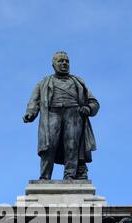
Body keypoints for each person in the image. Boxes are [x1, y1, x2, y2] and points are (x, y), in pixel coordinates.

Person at [23, 51, 99, 180]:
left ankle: (70, 176)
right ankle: (45, 177)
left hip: (74, 114)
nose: (64, 63)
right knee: (49, 145)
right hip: (52, 113)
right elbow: (34, 100)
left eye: (66, 61)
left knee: (72, 145)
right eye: (60, 61)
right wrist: (31, 113)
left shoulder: (78, 82)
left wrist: (88, 108)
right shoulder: (44, 82)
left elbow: (94, 102)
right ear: (53, 65)